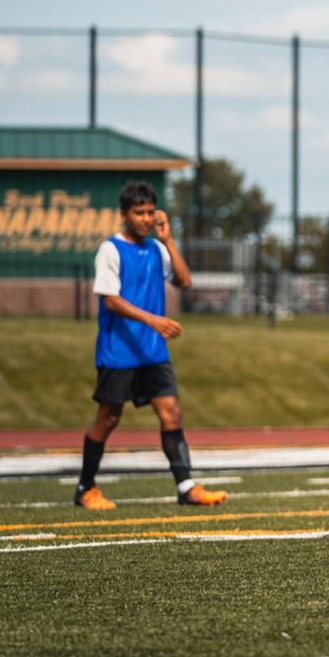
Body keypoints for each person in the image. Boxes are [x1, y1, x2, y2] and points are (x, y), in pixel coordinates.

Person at [74, 181, 227, 509]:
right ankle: (85, 488)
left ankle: (186, 487)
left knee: (172, 412)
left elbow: (185, 282)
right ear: (124, 214)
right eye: (138, 213)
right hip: (119, 351)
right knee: (108, 418)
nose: (145, 219)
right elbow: (110, 300)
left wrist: (168, 240)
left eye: (149, 212)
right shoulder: (111, 250)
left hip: (153, 352)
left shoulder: (158, 249)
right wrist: (153, 320)